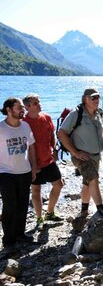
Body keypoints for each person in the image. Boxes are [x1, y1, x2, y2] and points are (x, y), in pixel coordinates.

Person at [57, 88, 103, 217]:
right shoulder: (76, 114)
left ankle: (84, 210)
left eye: (97, 97)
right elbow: (61, 133)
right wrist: (76, 153)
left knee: (87, 182)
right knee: (93, 179)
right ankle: (101, 210)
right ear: (85, 99)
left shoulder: (98, 113)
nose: (96, 100)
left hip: (96, 156)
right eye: (93, 98)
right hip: (82, 156)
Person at [0, 98, 37, 255]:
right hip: (5, 172)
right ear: (9, 109)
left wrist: (34, 166)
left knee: (22, 204)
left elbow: (31, 146)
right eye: (19, 107)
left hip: (25, 171)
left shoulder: (25, 126)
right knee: (10, 205)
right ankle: (8, 241)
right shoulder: (1, 128)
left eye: (23, 107)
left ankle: (20, 234)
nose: (23, 110)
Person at [23, 94, 64, 230]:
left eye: (39, 102)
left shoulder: (46, 117)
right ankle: (39, 218)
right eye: (36, 103)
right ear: (27, 107)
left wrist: (55, 150)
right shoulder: (23, 122)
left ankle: (50, 212)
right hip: (32, 163)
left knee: (58, 184)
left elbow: (52, 136)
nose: (39, 105)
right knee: (36, 190)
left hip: (48, 159)